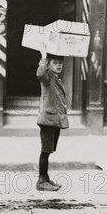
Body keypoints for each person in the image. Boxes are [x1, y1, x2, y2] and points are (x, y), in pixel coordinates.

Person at [36, 43, 69, 191]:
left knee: (48, 151)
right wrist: (43, 57)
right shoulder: (47, 77)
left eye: (60, 63)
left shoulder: (55, 78)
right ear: (49, 65)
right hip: (48, 120)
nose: (59, 65)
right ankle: (41, 181)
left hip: (54, 120)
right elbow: (40, 74)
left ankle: (46, 178)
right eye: (55, 63)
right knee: (45, 151)